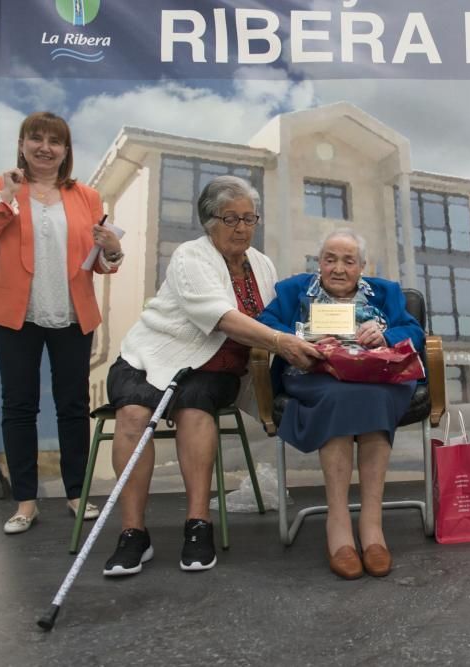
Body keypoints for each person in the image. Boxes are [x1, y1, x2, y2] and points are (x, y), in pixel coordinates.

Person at [101, 175, 322, 576]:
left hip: (217, 366)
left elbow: (276, 314)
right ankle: (133, 534)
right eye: (230, 218)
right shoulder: (191, 256)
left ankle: (197, 525)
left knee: (194, 409)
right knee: (133, 415)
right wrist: (282, 342)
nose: (242, 228)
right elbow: (220, 318)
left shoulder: (262, 263)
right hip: (152, 353)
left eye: (249, 218)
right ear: (209, 221)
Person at [0, 111, 123, 534]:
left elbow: (99, 261)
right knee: (19, 407)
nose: (45, 148)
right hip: (15, 315)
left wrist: (113, 251)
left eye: (55, 142)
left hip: (72, 312)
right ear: (22, 144)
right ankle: (25, 502)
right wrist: (6, 198)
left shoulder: (87, 196)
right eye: (36, 139)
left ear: (66, 151)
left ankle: (77, 494)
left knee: (73, 405)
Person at [259, 229, 424, 579]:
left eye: (348, 261)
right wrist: (293, 340)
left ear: (362, 266)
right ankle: (338, 523)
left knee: (373, 397)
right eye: (330, 259)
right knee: (337, 397)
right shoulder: (293, 291)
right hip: (316, 376)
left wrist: (386, 335)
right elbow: (265, 324)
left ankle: (371, 524)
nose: (338, 268)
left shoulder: (386, 293)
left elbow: (415, 331)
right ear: (319, 263)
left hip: (376, 376)